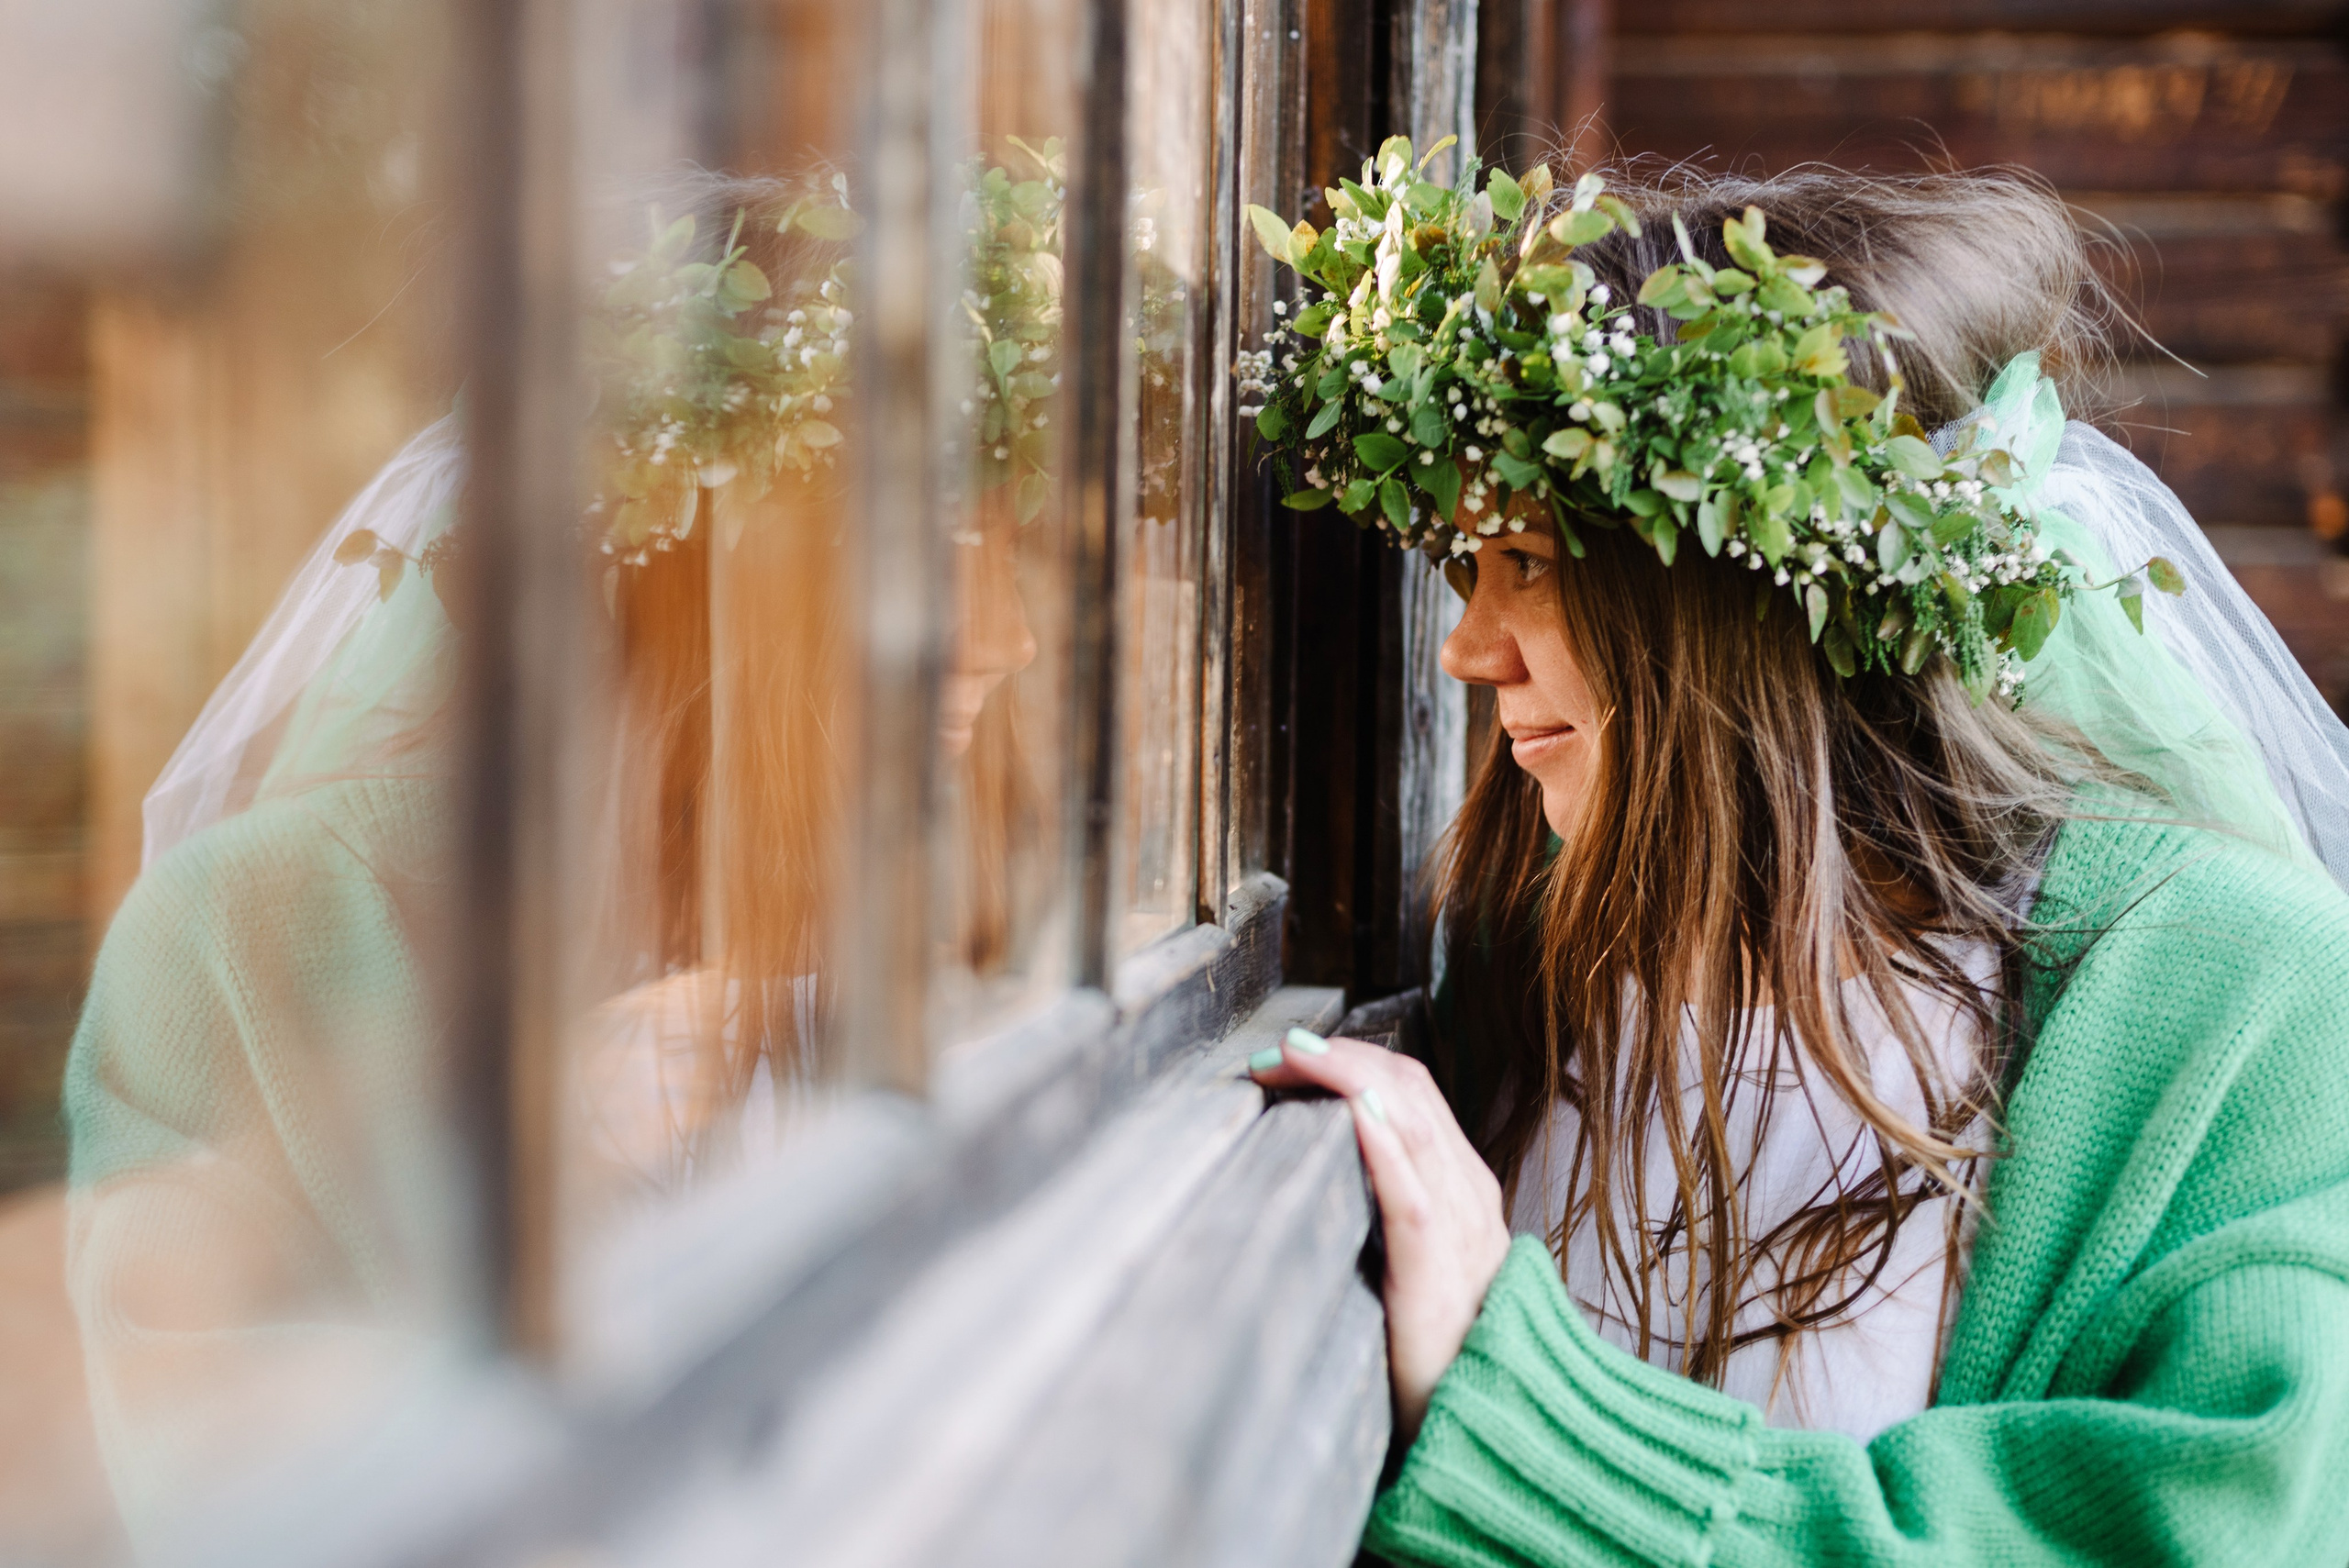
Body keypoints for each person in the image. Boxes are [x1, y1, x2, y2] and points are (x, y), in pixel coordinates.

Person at [1243, 153, 2349, 1563]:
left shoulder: (2250, 1010)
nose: (1467, 649)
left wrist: (1528, 1424)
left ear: (1732, 599)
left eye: (1526, 561)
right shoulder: (1532, 941)